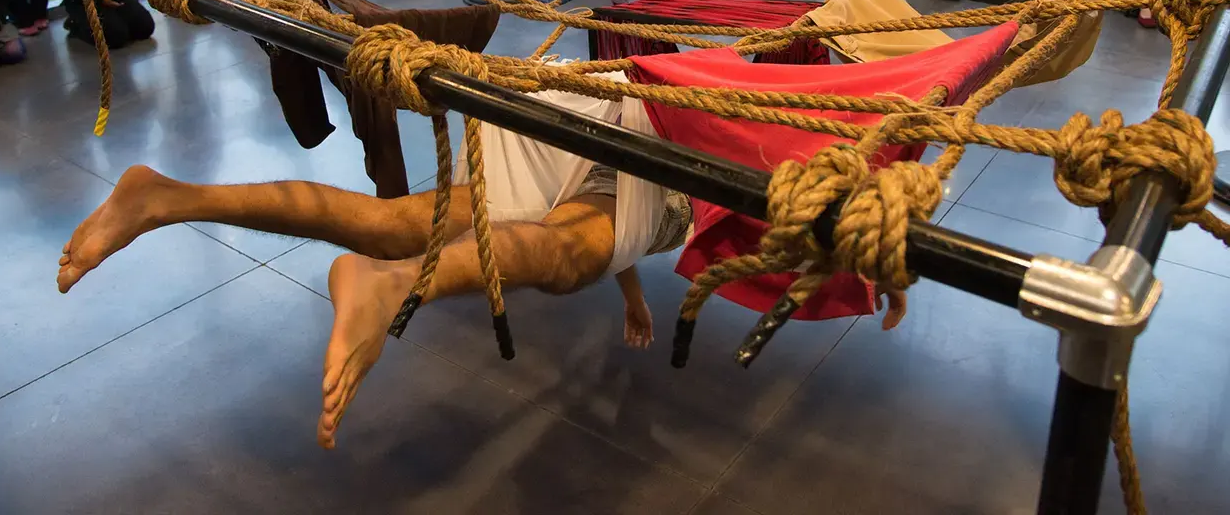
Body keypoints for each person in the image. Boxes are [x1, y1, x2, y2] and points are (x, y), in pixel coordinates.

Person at [55, 158, 906, 448]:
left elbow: (620, 203)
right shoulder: (812, 151)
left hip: (605, 118)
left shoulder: (792, 124)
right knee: (565, 255)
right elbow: (637, 211)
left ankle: (166, 195)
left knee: (396, 222)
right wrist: (887, 263)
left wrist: (632, 290)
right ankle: (388, 286)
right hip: (661, 169)